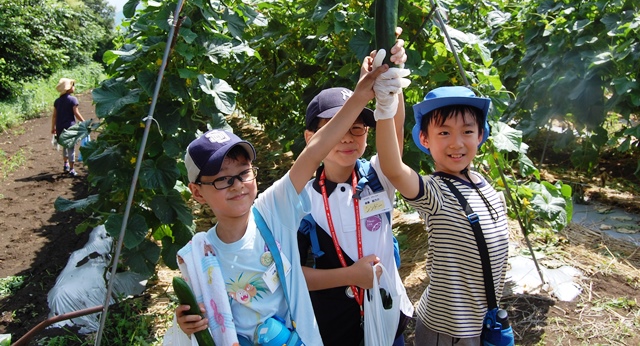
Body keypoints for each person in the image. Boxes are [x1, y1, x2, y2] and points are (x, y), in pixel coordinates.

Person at [173, 62, 406, 346]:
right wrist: (188, 322)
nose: (236, 185)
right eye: (222, 180)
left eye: (243, 173)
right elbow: (202, 315)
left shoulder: (271, 214)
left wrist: (363, 95)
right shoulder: (200, 255)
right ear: (197, 192)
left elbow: (313, 154)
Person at [298, 38, 413, 346]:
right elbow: (293, 275)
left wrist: (392, 76)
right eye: (336, 127)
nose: (347, 138)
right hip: (334, 329)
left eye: (357, 128)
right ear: (312, 137)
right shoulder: (301, 200)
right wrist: (350, 275)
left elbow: (395, 129)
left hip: (389, 322)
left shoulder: (379, 176)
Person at [375, 86, 510, 346]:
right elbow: (392, 167)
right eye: (444, 132)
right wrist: (389, 97)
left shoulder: (483, 184)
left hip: (482, 319)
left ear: (481, 135)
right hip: (448, 329)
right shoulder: (435, 192)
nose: (456, 143)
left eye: (467, 131)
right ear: (425, 139)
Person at [51, 78, 84, 177]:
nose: (74, 87)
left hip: (60, 126)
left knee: (64, 146)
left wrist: (53, 127)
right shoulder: (73, 99)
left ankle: (65, 164)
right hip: (70, 127)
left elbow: (54, 116)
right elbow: (76, 113)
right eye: (73, 85)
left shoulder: (57, 101)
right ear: (69, 88)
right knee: (71, 148)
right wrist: (84, 121)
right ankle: (72, 169)